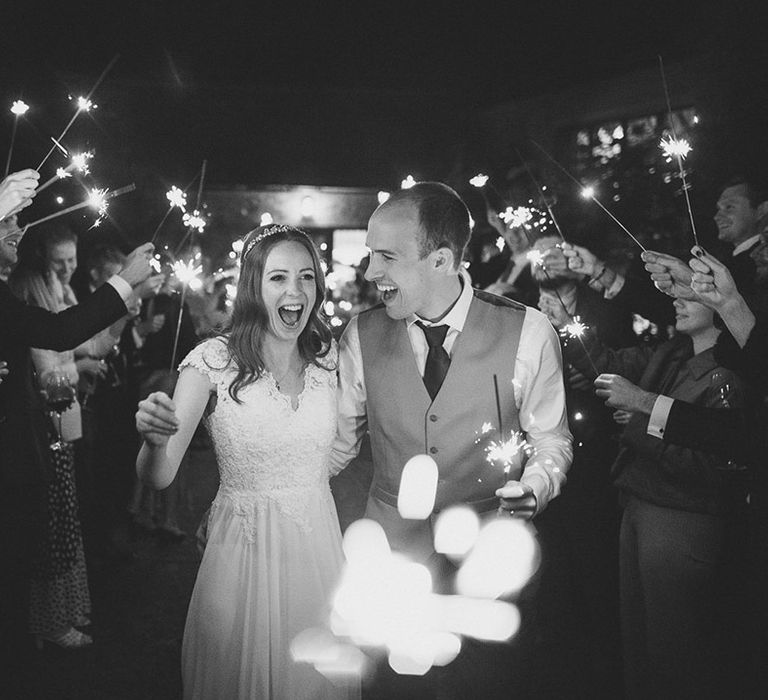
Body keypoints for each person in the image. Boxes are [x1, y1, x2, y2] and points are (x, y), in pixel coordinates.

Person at [329, 182, 572, 699]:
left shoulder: (529, 332)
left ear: (441, 260)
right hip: (390, 564)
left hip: (488, 563)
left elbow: (551, 439)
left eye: (386, 257)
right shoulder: (358, 336)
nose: (371, 272)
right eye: (372, 255)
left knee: (484, 687)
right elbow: (336, 448)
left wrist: (536, 486)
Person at [135, 224, 359, 700]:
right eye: (278, 278)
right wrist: (155, 441)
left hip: (318, 547)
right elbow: (160, 476)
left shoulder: (329, 360)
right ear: (253, 285)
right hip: (243, 554)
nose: (295, 291)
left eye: (306, 277)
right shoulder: (211, 362)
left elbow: (334, 449)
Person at [0, 184, 153, 694]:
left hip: (39, 440)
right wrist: (126, 281)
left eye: (20, 221)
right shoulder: (20, 291)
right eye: (8, 222)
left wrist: (125, 306)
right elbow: (62, 338)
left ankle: (31, 641)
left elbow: (81, 338)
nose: (17, 231)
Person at [564, 291, 744, 699]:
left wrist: (639, 424)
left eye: (689, 294)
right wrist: (569, 321)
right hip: (638, 503)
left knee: (674, 649)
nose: (675, 301)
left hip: (682, 519)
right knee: (639, 640)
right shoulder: (672, 352)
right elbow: (606, 367)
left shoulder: (727, 374)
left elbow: (715, 466)